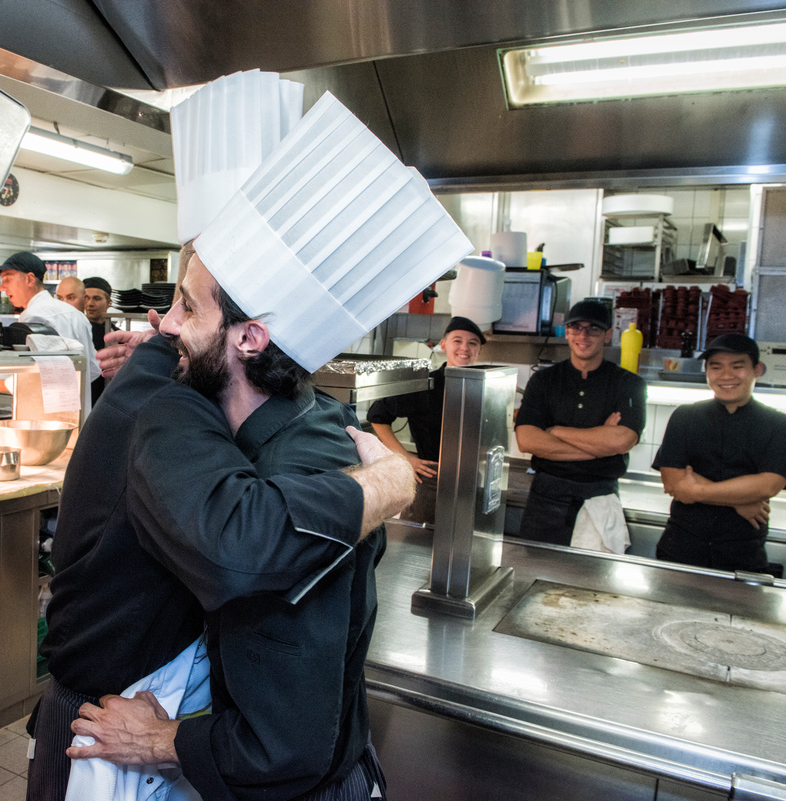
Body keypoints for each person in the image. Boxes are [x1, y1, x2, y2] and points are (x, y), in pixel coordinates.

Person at [29, 246, 413, 801]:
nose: (165, 325)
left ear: (249, 337)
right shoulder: (300, 413)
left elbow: (285, 746)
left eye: (187, 305)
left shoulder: (274, 467)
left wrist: (165, 741)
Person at [652, 334, 786, 572]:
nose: (726, 375)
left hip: (742, 556)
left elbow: (768, 485)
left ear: (757, 369)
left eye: (737, 366)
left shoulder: (782, 426)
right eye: (716, 367)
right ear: (707, 371)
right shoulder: (684, 417)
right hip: (680, 550)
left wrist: (696, 490)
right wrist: (739, 503)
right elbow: (673, 482)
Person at [514, 299, 647, 548]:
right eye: (576, 327)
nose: (583, 335)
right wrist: (600, 446)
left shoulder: (629, 384)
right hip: (546, 499)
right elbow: (527, 440)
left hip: (600, 497)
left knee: (596, 583)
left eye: (593, 329)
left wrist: (555, 431)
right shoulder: (544, 381)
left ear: (607, 335)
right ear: (567, 332)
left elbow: (623, 440)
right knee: (536, 574)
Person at [366, 316, 486, 521]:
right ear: (443, 345)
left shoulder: (484, 385)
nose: (464, 348)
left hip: (472, 478)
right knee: (419, 546)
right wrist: (405, 459)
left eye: (472, 343)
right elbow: (377, 417)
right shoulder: (424, 384)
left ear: (478, 350)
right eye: (457, 340)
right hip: (432, 479)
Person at [0, 253, 99, 407]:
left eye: (7, 279)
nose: (2, 287)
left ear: (29, 279)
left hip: (45, 418)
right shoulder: (77, 315)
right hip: (80, 415)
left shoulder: (33, 315)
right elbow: (93, 369)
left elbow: (35, 375)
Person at [82, 277, 116, 402]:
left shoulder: (116, 334)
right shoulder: (80, 331)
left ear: (109, 302)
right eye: (86, 298)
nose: (90, 303)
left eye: (97, 298)